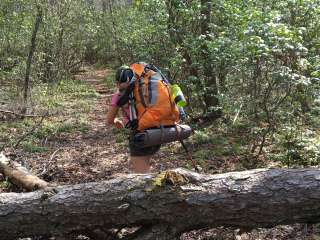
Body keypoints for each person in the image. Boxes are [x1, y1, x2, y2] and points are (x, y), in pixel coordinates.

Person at [106, 66, 161, 173]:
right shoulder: (145, 89)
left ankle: (151, 188)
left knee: (142, 177)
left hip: (139, 136)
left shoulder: (119, 95)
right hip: (158, 132)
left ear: (117, 83)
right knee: (146, 164)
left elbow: (109, 120)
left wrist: (116, 121)